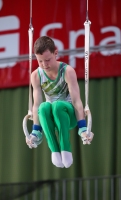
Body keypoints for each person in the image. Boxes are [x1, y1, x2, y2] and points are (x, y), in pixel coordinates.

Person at [26, 36, 94, 168]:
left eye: (48, 60)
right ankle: (55, 151)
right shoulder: (36, 75)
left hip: (69, 116)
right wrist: (35, 130)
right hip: (51, 117)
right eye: (40, 61)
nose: (44, 65)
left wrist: (83, 128)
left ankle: (66, 149)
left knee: (57, 105)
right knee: (45, 107)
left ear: (55, 53)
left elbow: (76, 101)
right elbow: (36, 105)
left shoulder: (67, 71)